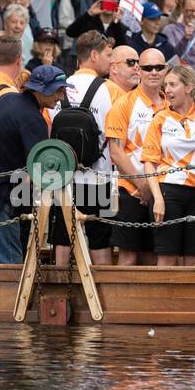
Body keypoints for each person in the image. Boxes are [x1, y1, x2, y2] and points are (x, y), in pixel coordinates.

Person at [0, 65, 69, 264]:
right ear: (42, 90)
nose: (62, 97)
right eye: (58, 90)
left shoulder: (6, 99)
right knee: (9, 264)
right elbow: (38, 170)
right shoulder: (33, 119)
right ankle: (10, 298)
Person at [51, 31, 123, 267]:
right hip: (97, 176)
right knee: (100, 241)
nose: (110, 60)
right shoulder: (108, 89)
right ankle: (102, 294)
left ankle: (58, 291)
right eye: (107, 55)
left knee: (62, 238)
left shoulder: (60, 85)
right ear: (93, 55)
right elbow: (112, 134)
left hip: (63, 178)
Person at [139, 65, 195, 266]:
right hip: (168, 191)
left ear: (189, 87)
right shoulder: (160, 118)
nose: (168, 90)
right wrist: (157, 198)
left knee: (194, 258)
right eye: (166, 85)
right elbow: (149, 162)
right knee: (166, 256)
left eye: (173, 85)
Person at [105, 48, 170, 266]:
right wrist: (142, 185)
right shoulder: (124, 104)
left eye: (159, 68)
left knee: (154, 256)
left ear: (166, 70)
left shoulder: (172, 104)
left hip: (163, 190)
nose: (154, 72)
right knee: (128, 255)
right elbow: (116, 152)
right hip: (130, 191)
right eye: (148, 68)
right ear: (139, 70)